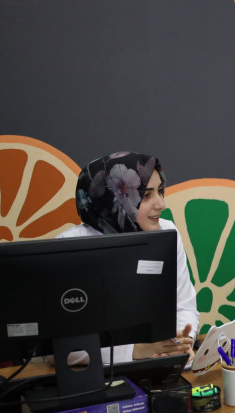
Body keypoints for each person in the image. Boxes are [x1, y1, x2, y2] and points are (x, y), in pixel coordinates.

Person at [57, 151, 199, 363]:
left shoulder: (166, 233)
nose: (161, 204)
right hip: (93, 375)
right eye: (146, 195)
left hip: (157, 363)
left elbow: (185, 307)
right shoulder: (70, 247)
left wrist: (177, 344)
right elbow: (58, 347)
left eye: (160, 191)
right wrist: (134, 352)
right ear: (113, 197)